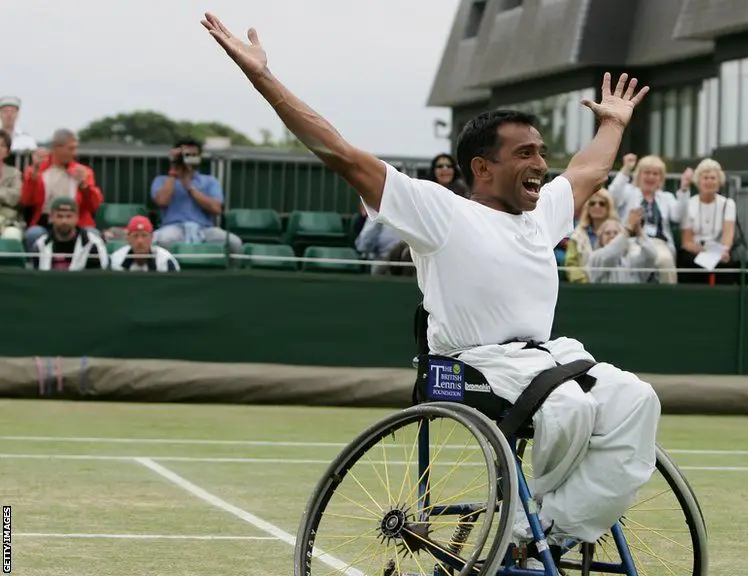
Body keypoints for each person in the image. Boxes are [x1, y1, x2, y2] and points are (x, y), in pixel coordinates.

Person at [201, 11, 658, 559]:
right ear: (482, 168)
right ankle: (525, 531)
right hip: (470, 364)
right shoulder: (440, 211)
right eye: (525, 154)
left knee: (636, 400)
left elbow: (587, 172)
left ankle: (546, 534)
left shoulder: (543, 213)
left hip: (545, 361)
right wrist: (263, 77)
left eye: (541, 152)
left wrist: (612, 123)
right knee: (570, 409)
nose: (541, 163)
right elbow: (341, 153)